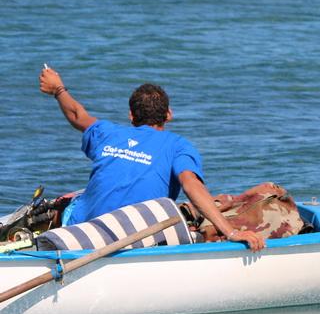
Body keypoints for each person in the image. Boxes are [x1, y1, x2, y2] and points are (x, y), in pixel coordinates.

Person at [39, 66, 266, 251]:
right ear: (168, 115)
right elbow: (191, 185)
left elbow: (77, 115)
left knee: (72, 200)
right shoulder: (178, 146)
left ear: (131, 115)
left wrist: (58, 88)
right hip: (136, 239)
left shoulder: (108, 133)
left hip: (80, 231)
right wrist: (231, 232)